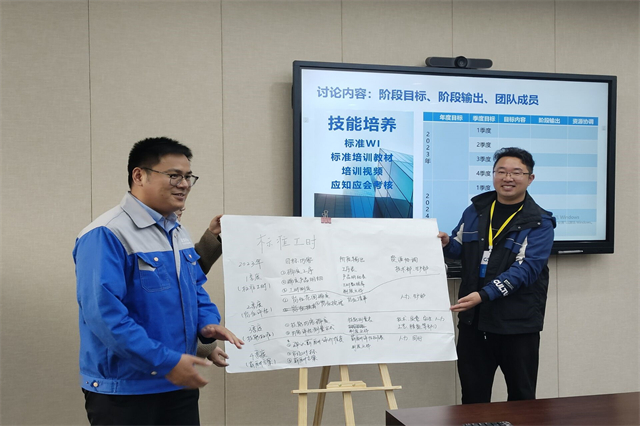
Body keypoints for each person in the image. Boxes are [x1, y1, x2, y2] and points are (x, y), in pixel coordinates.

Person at [73, 137, 244, 425]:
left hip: (178, 382)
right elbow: (104, 316)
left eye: (188, 176)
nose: (184, 184)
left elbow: (193, 287)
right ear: (139, 175)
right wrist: (166, 361)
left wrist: (206, 324)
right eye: (174, 175)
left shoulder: (177, 231)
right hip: (126, 391)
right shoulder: (106, 234)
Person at [437, 147, 556, 404]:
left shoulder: (539, 222)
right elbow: (460, 247)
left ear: (530, 178)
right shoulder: (476, 210)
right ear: (493, 175)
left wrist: (484, 294)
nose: (507, 178)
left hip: (517, 324)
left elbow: (526, 269)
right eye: (501, 171)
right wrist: (446, 244)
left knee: (522, 398)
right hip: (474, 322)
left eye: (516, 172)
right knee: (473, 399)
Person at [177, 208, 228, 366]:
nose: (182, 207)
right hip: (148, 368)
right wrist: (206, 346)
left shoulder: (177, 232)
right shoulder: (126, 236)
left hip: (180, 364)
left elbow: (192, 282)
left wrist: (212, 235)